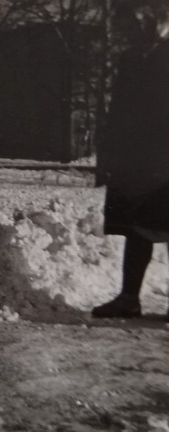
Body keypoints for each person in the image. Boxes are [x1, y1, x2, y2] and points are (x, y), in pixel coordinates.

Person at [93, 1, 169, 319]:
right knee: (136, 228)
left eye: (130, 23)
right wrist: (107, 156)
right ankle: (128, 298)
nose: (126, 31)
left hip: (164, 158)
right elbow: (118, 110)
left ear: (149, 19)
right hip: (134, 158)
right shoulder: (130, 57)